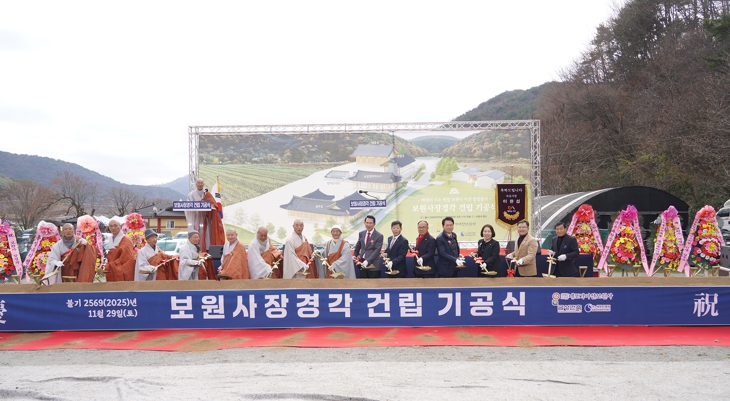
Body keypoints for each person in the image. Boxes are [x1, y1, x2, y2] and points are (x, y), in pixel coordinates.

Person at [184, 178, 225, 279]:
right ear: (196, 184)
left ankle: (205, 252)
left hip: (206, 220)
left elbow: (214, 206)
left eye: (201, 183)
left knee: (206, 237)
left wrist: (208, 207)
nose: (200, 184)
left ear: (203, 184)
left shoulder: (207, 194)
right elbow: (188, 206)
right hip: (195, 220)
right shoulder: (191, 195)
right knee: (196, 236)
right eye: (198, 183)